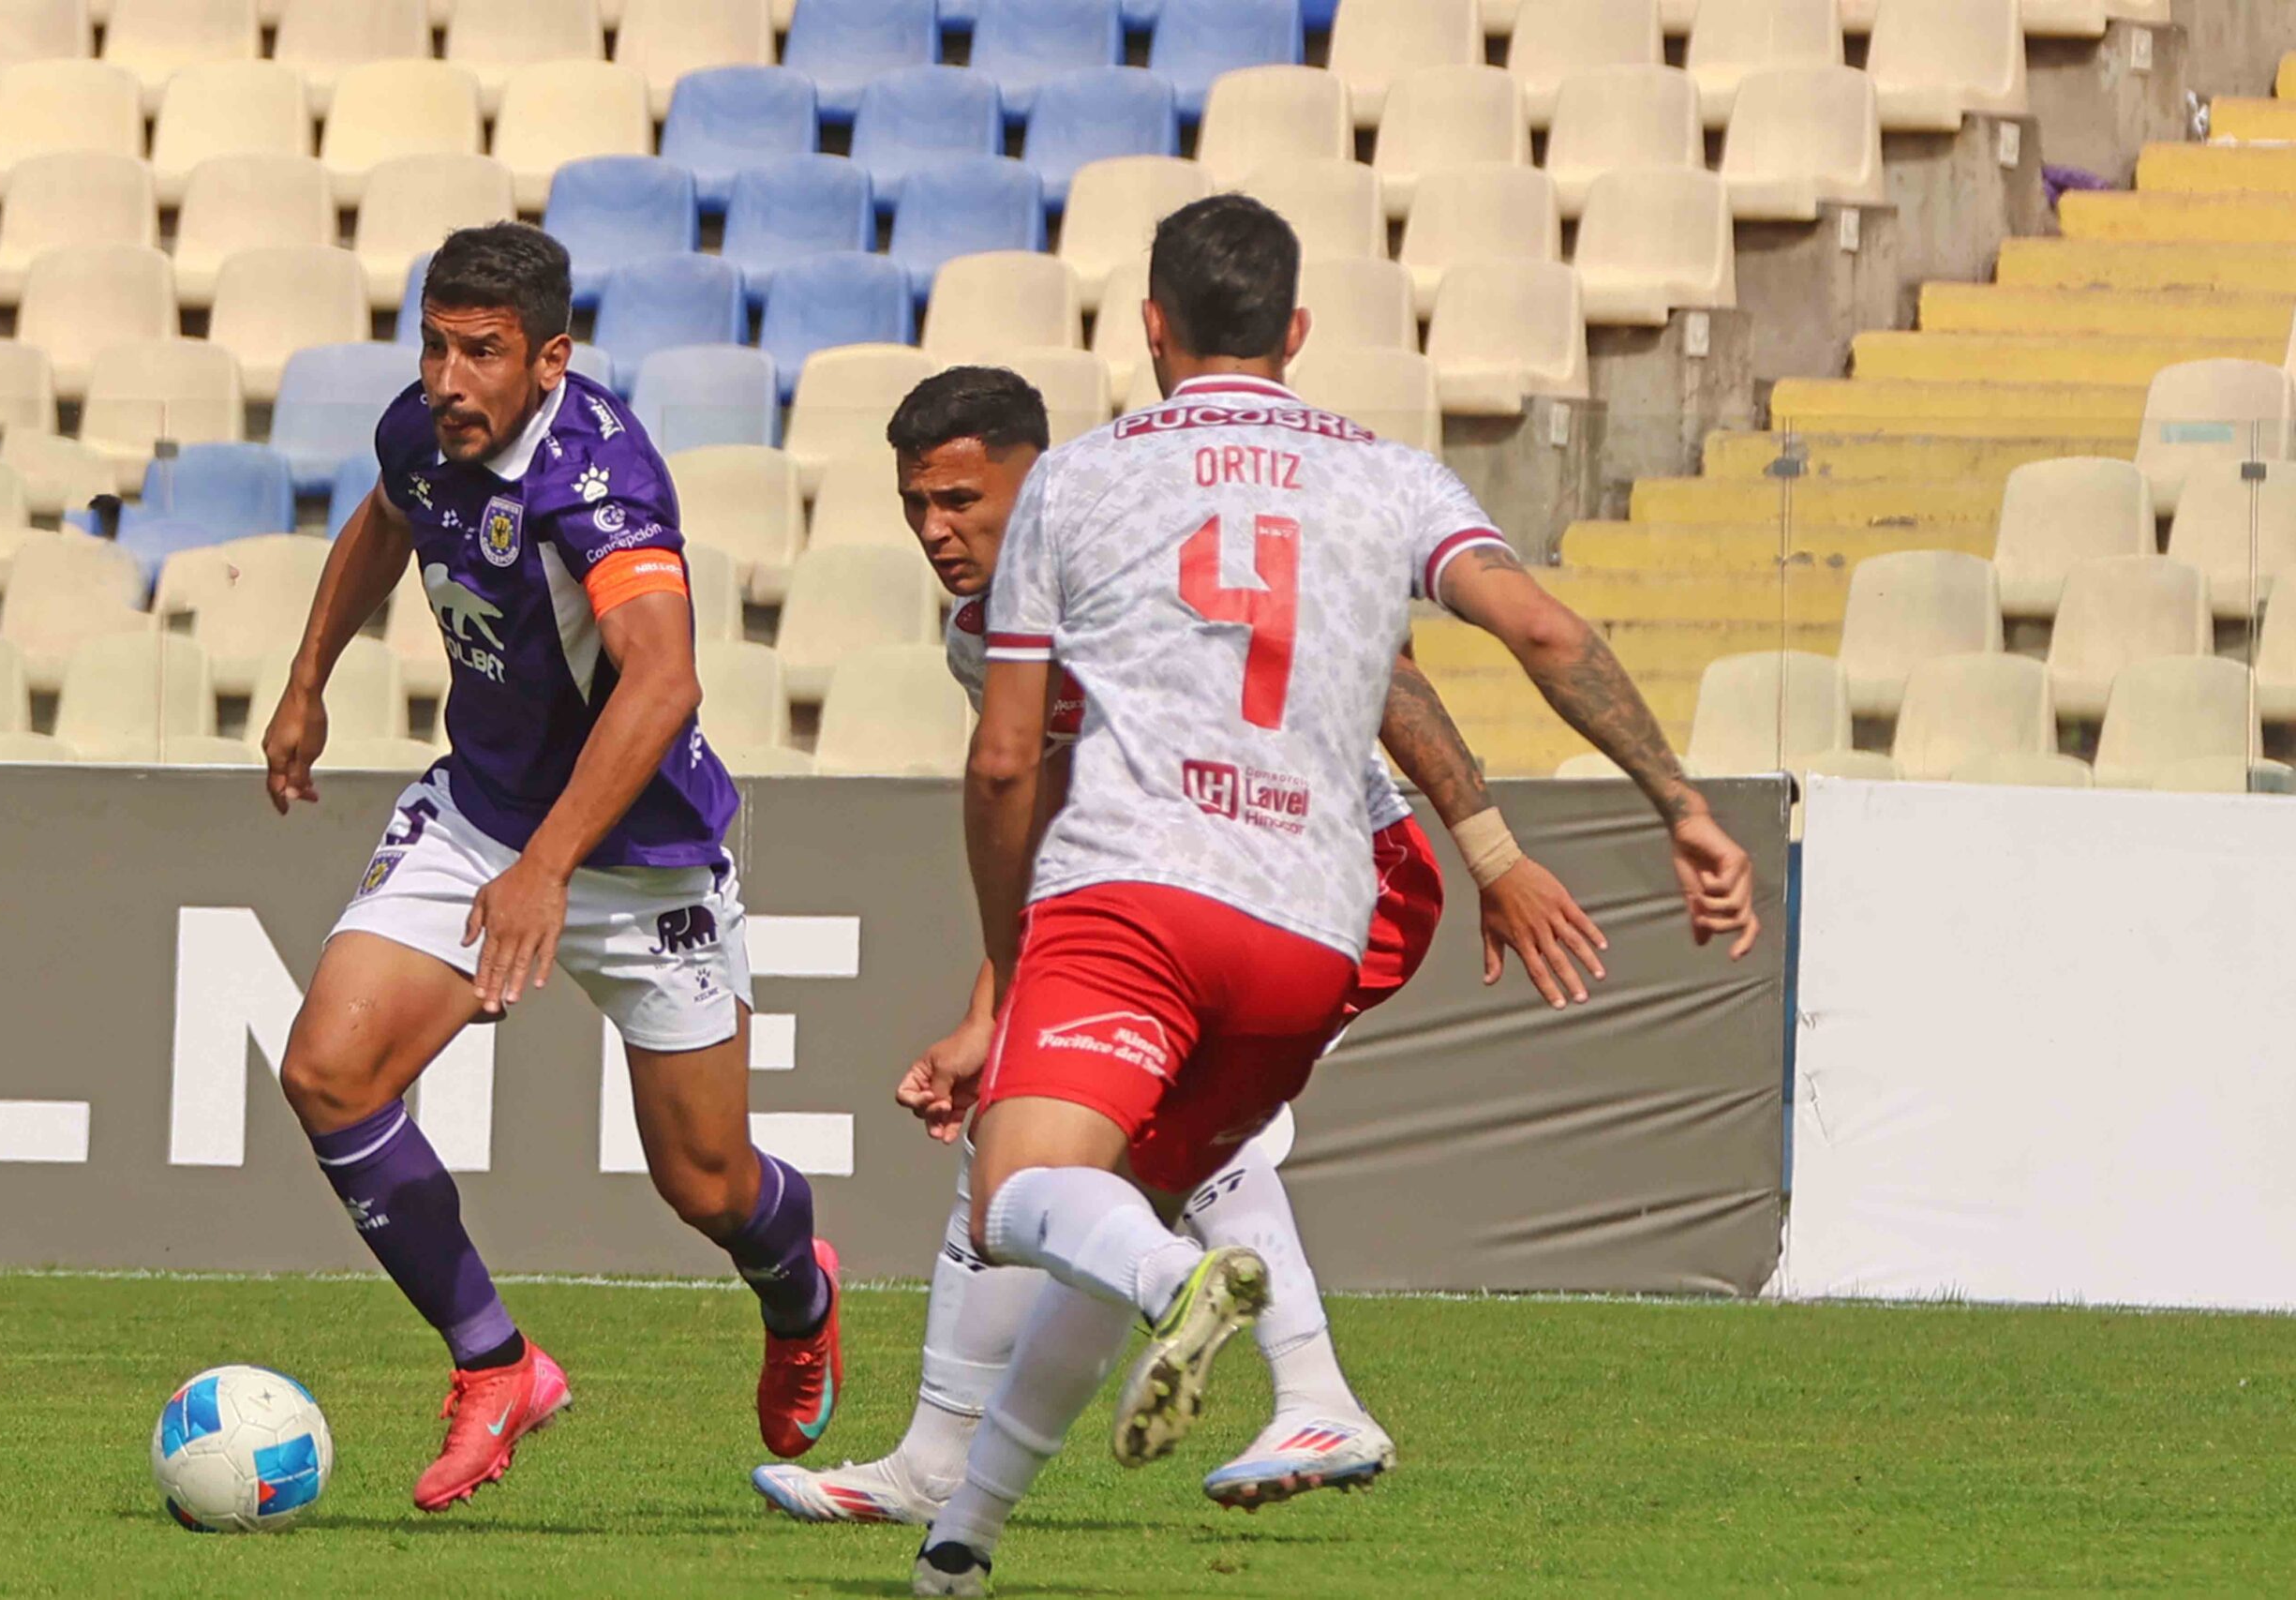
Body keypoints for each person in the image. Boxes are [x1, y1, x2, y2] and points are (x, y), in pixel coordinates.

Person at [909, 196, 1760, 1596]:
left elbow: (1006, 763)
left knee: (1021, 1195)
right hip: (1312, 921)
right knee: (1133, 1194)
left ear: (1151, 326)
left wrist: (1016, 965)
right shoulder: (1387, 475)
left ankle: (1206, 1316)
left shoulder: (1081, 480)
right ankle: (962, 1538)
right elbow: (1545, 631)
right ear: (1296, 329)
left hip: (1140, 889)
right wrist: (1678, 801)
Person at [752, 366, 1610, 1527]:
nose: (934, 530)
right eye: (915, 505)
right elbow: (1057, 818)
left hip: (1335, 871)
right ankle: (948, 1463)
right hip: (1168, 889)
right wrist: (997, 1007)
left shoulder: (1136, 545)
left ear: (1034, 481)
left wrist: (1492, 853)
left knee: (1159, 1140)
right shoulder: (982, 637)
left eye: (959, 500)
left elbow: (1385, 674)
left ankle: (1302, 1393)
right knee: (1031, 1143)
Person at [259, 222, 841, 1514]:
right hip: (480, 812)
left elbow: (664, 679)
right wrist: (307, 681)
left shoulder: (599, 480)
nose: (449, 380)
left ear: (550, 359)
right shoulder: (424, 430)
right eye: (435, 347)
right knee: (328, 1071)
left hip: (640, 855)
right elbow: (384, 522)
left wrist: (548, 867)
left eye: (483, 352)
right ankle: (496, 1361)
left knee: (705, 1183)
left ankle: (800, 1292)